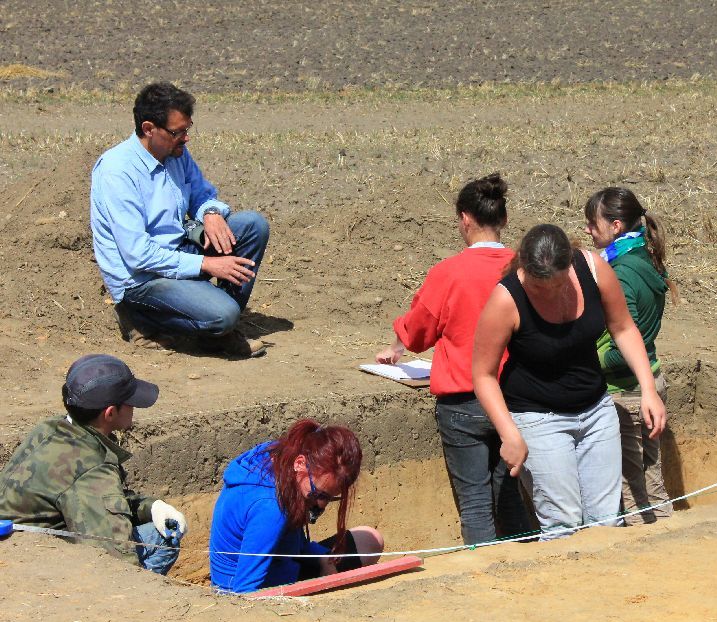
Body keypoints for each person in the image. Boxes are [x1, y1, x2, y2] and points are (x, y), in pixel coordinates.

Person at [472, 224, 667, 539]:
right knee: (564, 524)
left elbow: (623, 327)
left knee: (607, 521)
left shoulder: (593, 269)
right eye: (539, 287)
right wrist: (509, 433)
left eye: (559, 283)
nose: (551, 292)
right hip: (538, 416)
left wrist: (648, 388)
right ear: (524, 269)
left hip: (596, 409)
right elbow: (483, 375)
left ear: (571, 263)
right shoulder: (506, 299)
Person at [376, 173, 532, 545]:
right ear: (504, 219)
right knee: (510, 495)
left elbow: (417, 333)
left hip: (461, 402)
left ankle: (481, 570)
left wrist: (397, 345)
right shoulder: (524, 269)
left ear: (464, 219)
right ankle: (527, 560)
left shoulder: (447, 273)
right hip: (514, 399)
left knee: (475, 504)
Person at [90, 82, 270, 358]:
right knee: (223, 314)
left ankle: (219, 333)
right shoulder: (117, 172)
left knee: (252, 225)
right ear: (149, 129)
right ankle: (142, 321)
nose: (185, 139)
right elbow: (137, 255)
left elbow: (203, 194)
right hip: (143, 280)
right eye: (178, 132)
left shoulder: (175, 153)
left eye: (188, 129)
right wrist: (207, 263)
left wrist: (210, 213)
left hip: (177, 251)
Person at [0, 354, 187, 575]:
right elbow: (114, 556)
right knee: (163, 538)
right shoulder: (93, 468)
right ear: (110, 413)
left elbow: (102, 499)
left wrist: (151, 506)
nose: (134, 409)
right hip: (36, 565)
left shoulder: (51, 428)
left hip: (18, 544)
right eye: (130, 403)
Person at [584, 187, 679, 525]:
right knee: (651, 480)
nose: (588, 230)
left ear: (616, 226)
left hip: (627, 392)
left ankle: (646, 548)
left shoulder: (621, 272)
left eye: (593, 224)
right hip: (650, 380)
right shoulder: (644, 258)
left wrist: (590, 365)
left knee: (631, 485)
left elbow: (627, 341)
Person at [209, 419, 384, 594]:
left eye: (330, 498)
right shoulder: (270, 508)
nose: (320, 505)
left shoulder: (282, 457)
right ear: (300, 463)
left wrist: (323, 559)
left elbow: (293, 545)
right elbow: (244, 592)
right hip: (251, 590)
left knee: (370, 540)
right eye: (319, 494)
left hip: (282, 566)